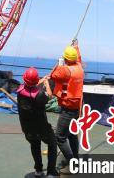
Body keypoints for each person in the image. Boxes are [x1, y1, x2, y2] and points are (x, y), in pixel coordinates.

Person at [17, 67, 59, 177]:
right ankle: (51, 172)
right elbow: (49, 95)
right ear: (36, 81)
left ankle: (38, 170)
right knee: (52, 143)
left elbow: (30, 85)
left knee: (35, 145)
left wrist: (42, 79)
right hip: (41, 127)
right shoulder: (40, 95)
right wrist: (46, 83)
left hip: (27, 127)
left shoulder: (20, 90)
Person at [50, 44, 84, 174]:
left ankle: (73, 163)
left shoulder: (65, 70)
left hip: (68, 107)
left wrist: (59, 63)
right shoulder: (79, 67)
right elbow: (79, 58)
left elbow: (53, 75)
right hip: (77, 107)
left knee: (59, 137)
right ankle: (75, 158)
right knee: (71, 134)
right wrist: (75, 46)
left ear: (66, 59)